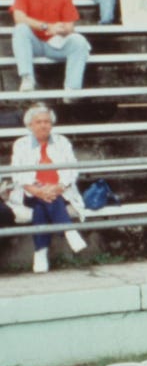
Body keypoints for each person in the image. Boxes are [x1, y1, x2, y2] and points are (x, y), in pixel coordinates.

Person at [8, 103, 88, 273]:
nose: (44, 125)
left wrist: (59, 186)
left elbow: (72, 168)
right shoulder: (21, 144)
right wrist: (37, 190)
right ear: (30, 125)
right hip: (30, 191)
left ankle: (40, 254)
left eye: (47, 121)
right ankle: (69, 231)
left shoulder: (62, 141)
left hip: (59, 191)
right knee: (42, 200)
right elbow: (17, 175)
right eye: (39, 122)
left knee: (41, 207)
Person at [10, 0, 92, 94]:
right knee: (20, 29)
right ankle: (27, 77)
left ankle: (72, 89)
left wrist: (60, 29)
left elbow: (70, 26)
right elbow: (19, 17)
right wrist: (47, 26)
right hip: (32, 43)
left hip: (54, 43)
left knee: (79, 42)